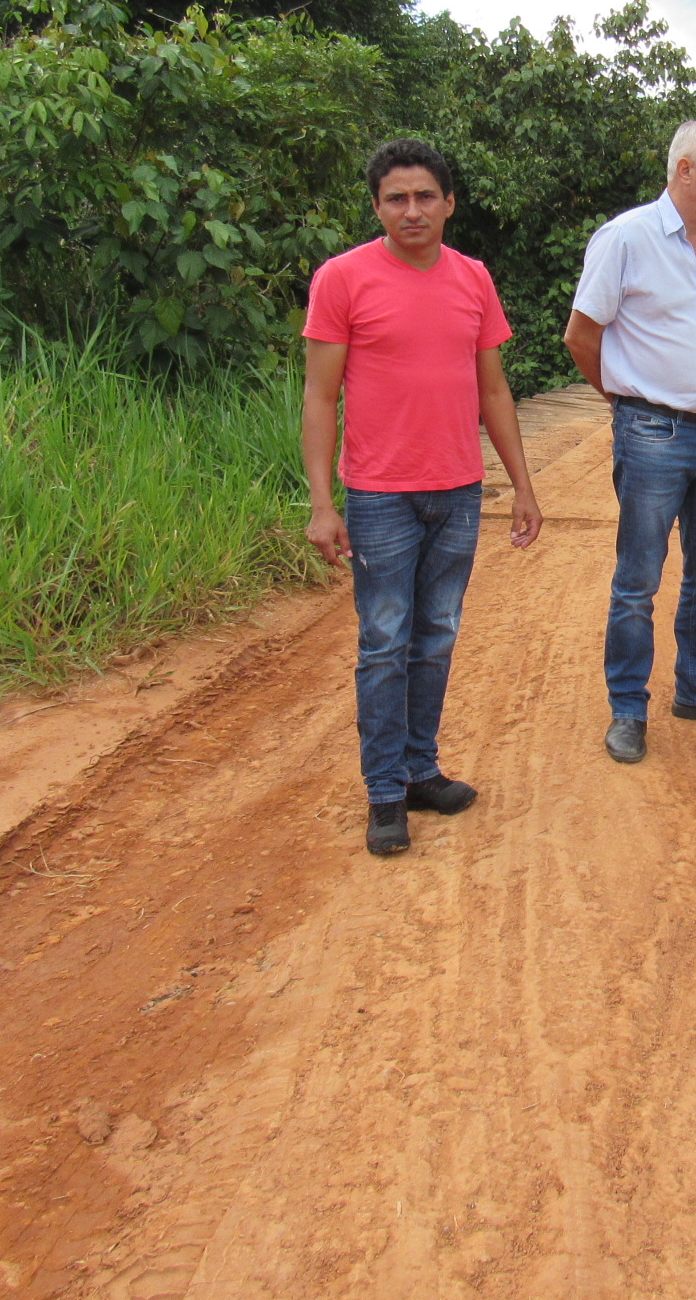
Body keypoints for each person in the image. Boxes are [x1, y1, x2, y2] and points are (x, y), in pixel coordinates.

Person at [301, 139, 544, 856]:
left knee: (435, 637)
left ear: (449, 204)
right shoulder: (343, 279)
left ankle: (418, 770)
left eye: (425, 196)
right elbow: (319, 398)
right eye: (396, 198)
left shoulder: (473, 278)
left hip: (459, 491)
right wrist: (323, 503)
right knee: (384, 645)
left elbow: (493, 388)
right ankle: (383, 794)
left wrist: (523, 484)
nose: (412, 210)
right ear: (377, 206)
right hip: (379, 497)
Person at [564, 119, 696, 764]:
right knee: (638, 579)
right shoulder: (627, 237)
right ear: (684, 171)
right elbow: (580, 334)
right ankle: (628, 707)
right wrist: (625, 401)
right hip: (651, 431)